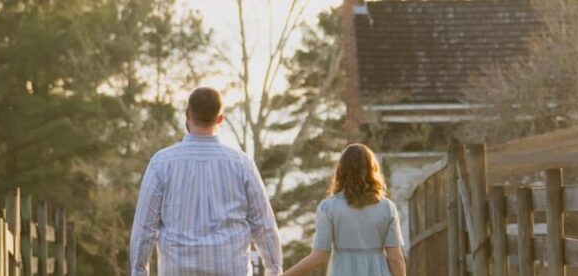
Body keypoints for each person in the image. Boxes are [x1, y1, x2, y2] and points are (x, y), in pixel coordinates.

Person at [130, 87, 283, 275]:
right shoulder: (242, 164)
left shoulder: (161, 164)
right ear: (220, 119)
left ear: (187, 115)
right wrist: (274, 270)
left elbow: (144, 228)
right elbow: (264, 225)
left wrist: (139, 272)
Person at [281, 144, 406, 276]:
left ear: (341, 171)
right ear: (372, 170)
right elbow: (395, 259)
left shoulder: (328, 207)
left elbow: (318, 257)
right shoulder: (387, 207)